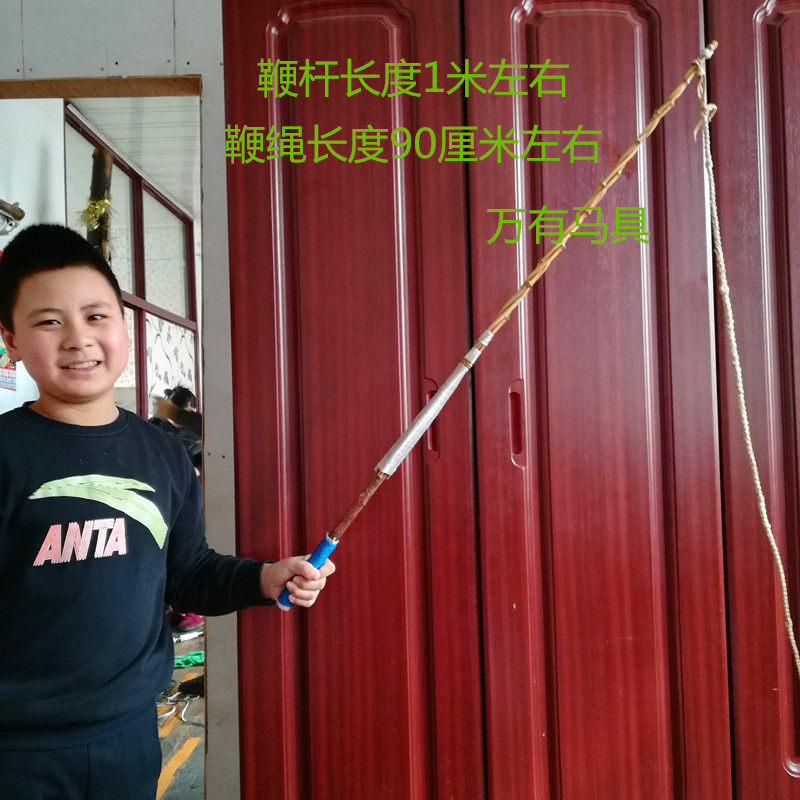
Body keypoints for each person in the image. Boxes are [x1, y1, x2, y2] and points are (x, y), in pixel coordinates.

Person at [0, 223, 335, 800]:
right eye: (49, 321)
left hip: (129, 737)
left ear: (124, 327)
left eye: (96, 316)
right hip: (17, 751)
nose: (78, 339)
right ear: (10, 339)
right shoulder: (7, 453)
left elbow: (188, 574)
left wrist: (264, 577)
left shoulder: (162, 454)